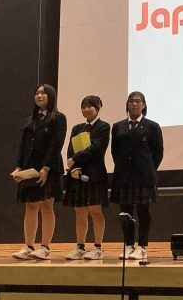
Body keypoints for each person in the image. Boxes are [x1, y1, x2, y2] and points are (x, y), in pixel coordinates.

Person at [11, 84, 67, 260]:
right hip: (30, 169)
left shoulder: (58, 118)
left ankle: (45, 247)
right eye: (37, 93)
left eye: (43, 93)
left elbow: (56, 144)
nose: (39, 96)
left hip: (49, 168)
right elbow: (22, 146)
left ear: (51, 96)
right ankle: (29, 247)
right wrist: (19, 167)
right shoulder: (30, 120)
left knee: (47, 205)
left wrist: (46, 168)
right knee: (30, 206)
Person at [110, 91, 164, 261]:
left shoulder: (152, 126)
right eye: (131, 101)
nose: (134, 104)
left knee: (143, 210)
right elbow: (115, 152)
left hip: (144, 176)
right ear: (127, 104)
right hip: (123, 175)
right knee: (125, 212)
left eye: (138, 101)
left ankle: (142, 246)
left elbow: (158, 153)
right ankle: (128, 245)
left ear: (144, 105)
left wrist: (147, 168)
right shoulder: (118, 126)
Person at [62, 95, 110, 260]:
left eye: (90, 106)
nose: (86, 109)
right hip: (77, 175)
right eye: (83, 106)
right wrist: (74, 167)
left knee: (95, 210)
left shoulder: (103, 127)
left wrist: (75, 159)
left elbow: (96, 148)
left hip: (95, 174)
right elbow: (70, 150)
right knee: (80, 211)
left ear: (98, 108)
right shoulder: (77, 128)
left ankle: (98, 248)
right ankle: (80, 247)